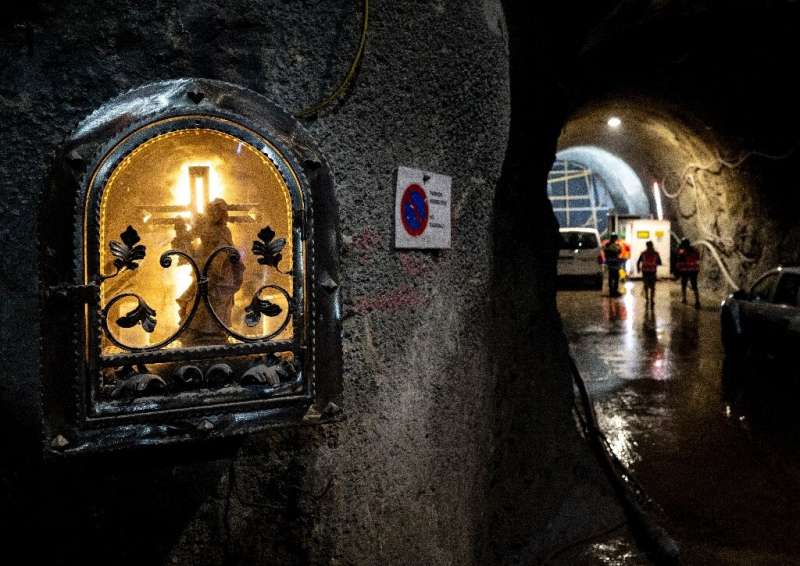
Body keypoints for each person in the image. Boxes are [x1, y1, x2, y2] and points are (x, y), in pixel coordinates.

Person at [676, 238, 701, 308]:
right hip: (694, 270)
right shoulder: (695, 250)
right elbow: (698, 258)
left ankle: (684, 298)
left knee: (684, 284)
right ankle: (697, 301)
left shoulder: (682, 251)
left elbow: (679, 260)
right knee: (694, 285)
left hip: (685, 270)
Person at [637, 240, 662, 308]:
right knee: (652, 286)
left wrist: (638, 269)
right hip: (652, 271)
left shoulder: (643, 253)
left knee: (646, 285)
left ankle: (647, 298)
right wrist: (655, 263)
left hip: (645, 271)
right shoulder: (656, 253)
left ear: (647, 246)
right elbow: (660, 262)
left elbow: (638, 261)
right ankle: (651, 299)